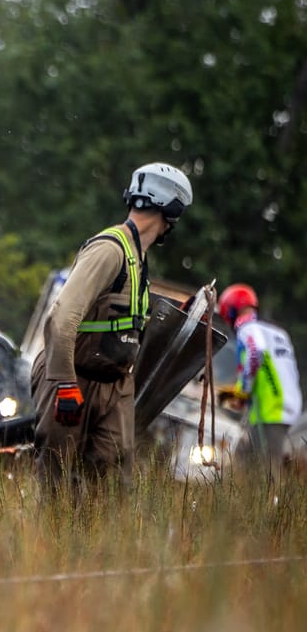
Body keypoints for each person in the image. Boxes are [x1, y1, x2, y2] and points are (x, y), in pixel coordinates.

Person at [30, 161, 193, 496]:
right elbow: (60, 318)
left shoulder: (139, 258)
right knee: (57, 485)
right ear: (171, 208)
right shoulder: (109, 250)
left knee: (113, 485)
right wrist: (64, 384)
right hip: (73, 377)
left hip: (114, 383)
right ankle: (47, 546)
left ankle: (100, 548)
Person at [217, 283, 302, 483]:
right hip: (286, 407)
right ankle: (238, 507)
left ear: (230, 311)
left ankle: (272, 512)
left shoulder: (248, 330)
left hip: (269, 411)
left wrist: (243, 392)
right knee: (242, 460)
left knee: (269, 475)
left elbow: (256, 353)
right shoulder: (277, 333)